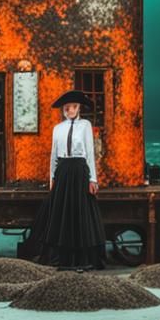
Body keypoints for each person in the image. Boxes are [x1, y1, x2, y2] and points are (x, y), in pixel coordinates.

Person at [27, 90, 106, 270]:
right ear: (64, 109)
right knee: (61, 213)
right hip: (62, 171)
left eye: (73, 107)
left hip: (79, 170)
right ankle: (60, 259)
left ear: (78, 108)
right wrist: (52, 178)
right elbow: (54, 155)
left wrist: (93, 179)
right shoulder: (58, 128)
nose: (70, 110)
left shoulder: (85, 125)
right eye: (67, 107)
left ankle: (81, 259)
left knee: (79, 213)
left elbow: (90, 152)